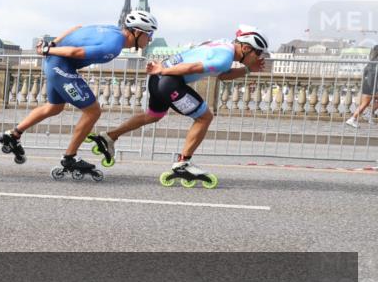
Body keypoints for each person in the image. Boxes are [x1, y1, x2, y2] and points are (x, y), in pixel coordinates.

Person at [90, 27, 269, 187]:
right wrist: (162, 70)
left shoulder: (222, 45)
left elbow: (222, 76)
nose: (259, 57)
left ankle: (109, 137)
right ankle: (183, 163)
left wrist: (248, 69)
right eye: (258, 52)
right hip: (169, 80)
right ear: (246, 48)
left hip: (160, 79)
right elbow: (192, 67)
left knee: (153, 115)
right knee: (204, 117)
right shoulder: (225, 58)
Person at [0, 11, 158, 179]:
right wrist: (48, 50)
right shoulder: (114, 46)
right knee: (93, 111)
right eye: (149, 34)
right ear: (137, 32)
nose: (150, 39)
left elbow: (76, 28)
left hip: (55, 64)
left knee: (54, 107)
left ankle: (13, 134)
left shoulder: (113, 30)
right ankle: (69, 157)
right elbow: (76, 53)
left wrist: (51, 45)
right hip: (61, 67)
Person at [347, 44, 378, 128]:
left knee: (364, 104)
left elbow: (365, 73)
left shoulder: (371, 62)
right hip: (372, 86)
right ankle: (367, 114)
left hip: (367, 85)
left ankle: (353, 119)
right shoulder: (376, 62)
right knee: (365, 104)